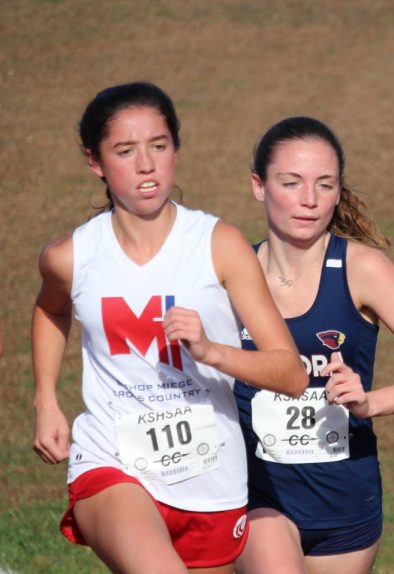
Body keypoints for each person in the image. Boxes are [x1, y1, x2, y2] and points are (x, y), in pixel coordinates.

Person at [31, 82, 308, 574]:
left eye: (158, 146)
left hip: (210, 476)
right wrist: (46, 399)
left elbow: (290, 374)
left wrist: (212, 350)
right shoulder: (70, 257)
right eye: (125, 150)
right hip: (111, 462)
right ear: (95, 162)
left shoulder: (218, 245)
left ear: (175, 149)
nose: (145, 165)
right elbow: (51, 309)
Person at [233, 117, 394, 574]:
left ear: (339, 192)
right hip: (258, 496)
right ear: (259, 185)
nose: (309, 200)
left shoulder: (363, 269)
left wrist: (370, 403)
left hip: (345, 501)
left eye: (324, 185)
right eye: (291, 183)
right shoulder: (230, 273)